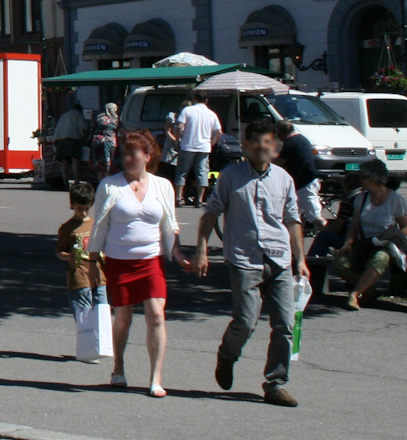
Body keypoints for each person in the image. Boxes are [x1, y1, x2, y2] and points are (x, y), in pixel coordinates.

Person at [196, 117, 306, 407]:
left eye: (267, 141)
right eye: (255, 141)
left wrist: (300, 259)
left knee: (285, 324)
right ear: (245, 145)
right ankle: (227, 355)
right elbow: (211, 212)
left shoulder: (284, 179)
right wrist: (202, 250)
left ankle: (275, 384)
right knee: (246, 321)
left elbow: (293, 219)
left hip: (279, 259)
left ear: (275, 146)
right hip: (244, 259)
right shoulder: (230, 176)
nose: (261, 146)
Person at [85, 130, 187, 396]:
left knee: (156, 315)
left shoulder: (163, 185)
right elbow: (98, 226)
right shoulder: (109, 185)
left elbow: (171, 225)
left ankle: (156, 379)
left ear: (147, 156)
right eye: (125, 154)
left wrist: (177, 254)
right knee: (123, 318)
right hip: (119, 261)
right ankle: (118, 367)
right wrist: (92, 262)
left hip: (151, 260)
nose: (128, 158)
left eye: (133, 153)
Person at [333, 169, 407, 309]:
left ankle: (355, 294)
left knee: (379, 259)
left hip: (385, 245)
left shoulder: (395, 200)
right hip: (363, 243)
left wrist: (392, 236)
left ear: (374, 180)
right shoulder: (361, 198)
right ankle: (369, 290)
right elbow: (354, 226)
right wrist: (348, 244)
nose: (360, 180)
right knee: (339, 264)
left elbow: (406, 227)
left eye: (363, 177)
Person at [58, 180, 108, 362]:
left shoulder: (96, 225)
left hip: (99, 275)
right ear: (72, 205)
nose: (84, 212)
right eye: (80, 208)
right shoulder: (67, 229)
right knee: (84, 313)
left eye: (87, 208)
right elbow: (59, 251)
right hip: (78, 276)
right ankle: (88, 349)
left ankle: (102, 345)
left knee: (102, 309)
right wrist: (68, 256)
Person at [274, 120, 324, 231]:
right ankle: (291, 236)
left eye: (278, 134)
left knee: (315, 217)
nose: (278, 137)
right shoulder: (302, 139)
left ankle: (329, 235)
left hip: (305, 184)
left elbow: (279, 162)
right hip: (307, 182)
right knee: (292, 215)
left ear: (282, 133)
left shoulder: (290, 143)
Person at [174, 93, 223, 206]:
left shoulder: (187, 110)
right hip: (204, 147)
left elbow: (179, 126)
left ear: (195, 99)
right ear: (206, 100)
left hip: (187, 145)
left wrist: (178, 139)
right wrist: (211, 143)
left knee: (182, 172)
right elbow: (219, 132)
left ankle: (179, 197)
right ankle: (199, 199)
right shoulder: (212, 114)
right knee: (202, 172)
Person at [53, 102, 86, 184]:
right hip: (72, 139)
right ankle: (76, 180)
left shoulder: (64, 115)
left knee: (64, 161)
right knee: (75, 160)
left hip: (60, 140)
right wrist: (82, 136)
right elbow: (82, 127)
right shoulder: (78, 114)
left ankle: (65, 180)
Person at [88, 103, 120, 177]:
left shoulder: (98, 117)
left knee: (99, 164)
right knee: (109, 164)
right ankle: (107, 180)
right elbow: (120, 129)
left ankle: (101, 181)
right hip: (110, 143)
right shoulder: (115, 119)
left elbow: (91, 128)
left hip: (97, 142)